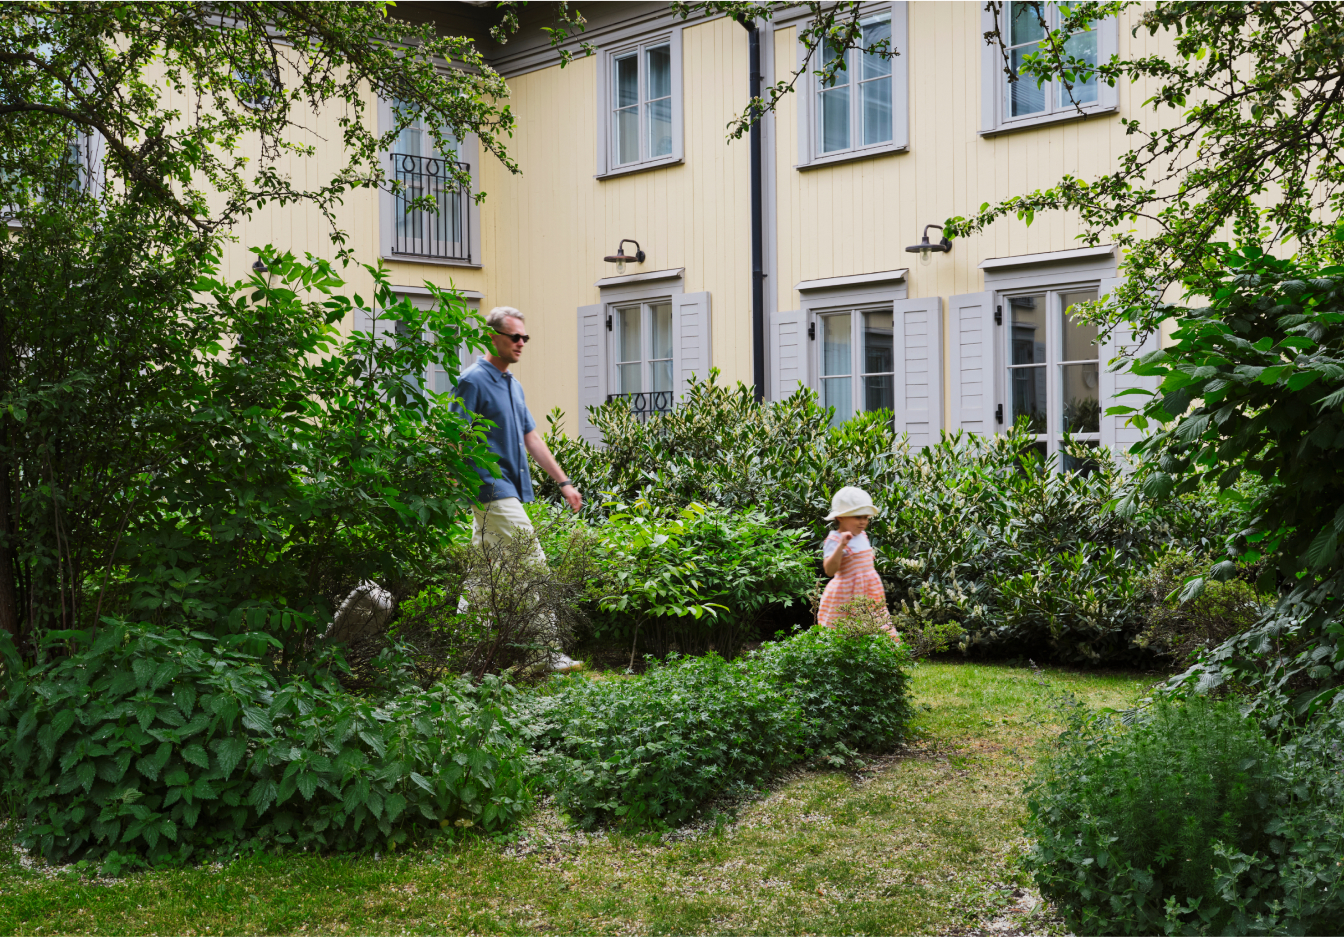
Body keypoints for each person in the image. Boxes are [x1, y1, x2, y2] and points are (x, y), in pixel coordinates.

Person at [452, 306, 584, 672]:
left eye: (525, 337)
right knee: (532, 560)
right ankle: (546, 654)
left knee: (484, 573)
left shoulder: (513, 384)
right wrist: (456, 484)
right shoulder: (473, 380)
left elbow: (531, 437)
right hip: (489, 486)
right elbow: (454, 436)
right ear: (492, 337)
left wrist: (564, 482)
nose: (521, 343)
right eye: (515, 337)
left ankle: (461, 651)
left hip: (507, 486)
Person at [816, 486, 899, 640]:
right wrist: (841, 545)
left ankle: (877, 658)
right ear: (840, 517)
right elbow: (829, 570)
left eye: (866, 517)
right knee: (844, 627)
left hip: (869, 592)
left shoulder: (863, 536)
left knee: (876, 623)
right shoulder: (835, 539)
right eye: (858, 517)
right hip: (847, 593)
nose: (863, 522)